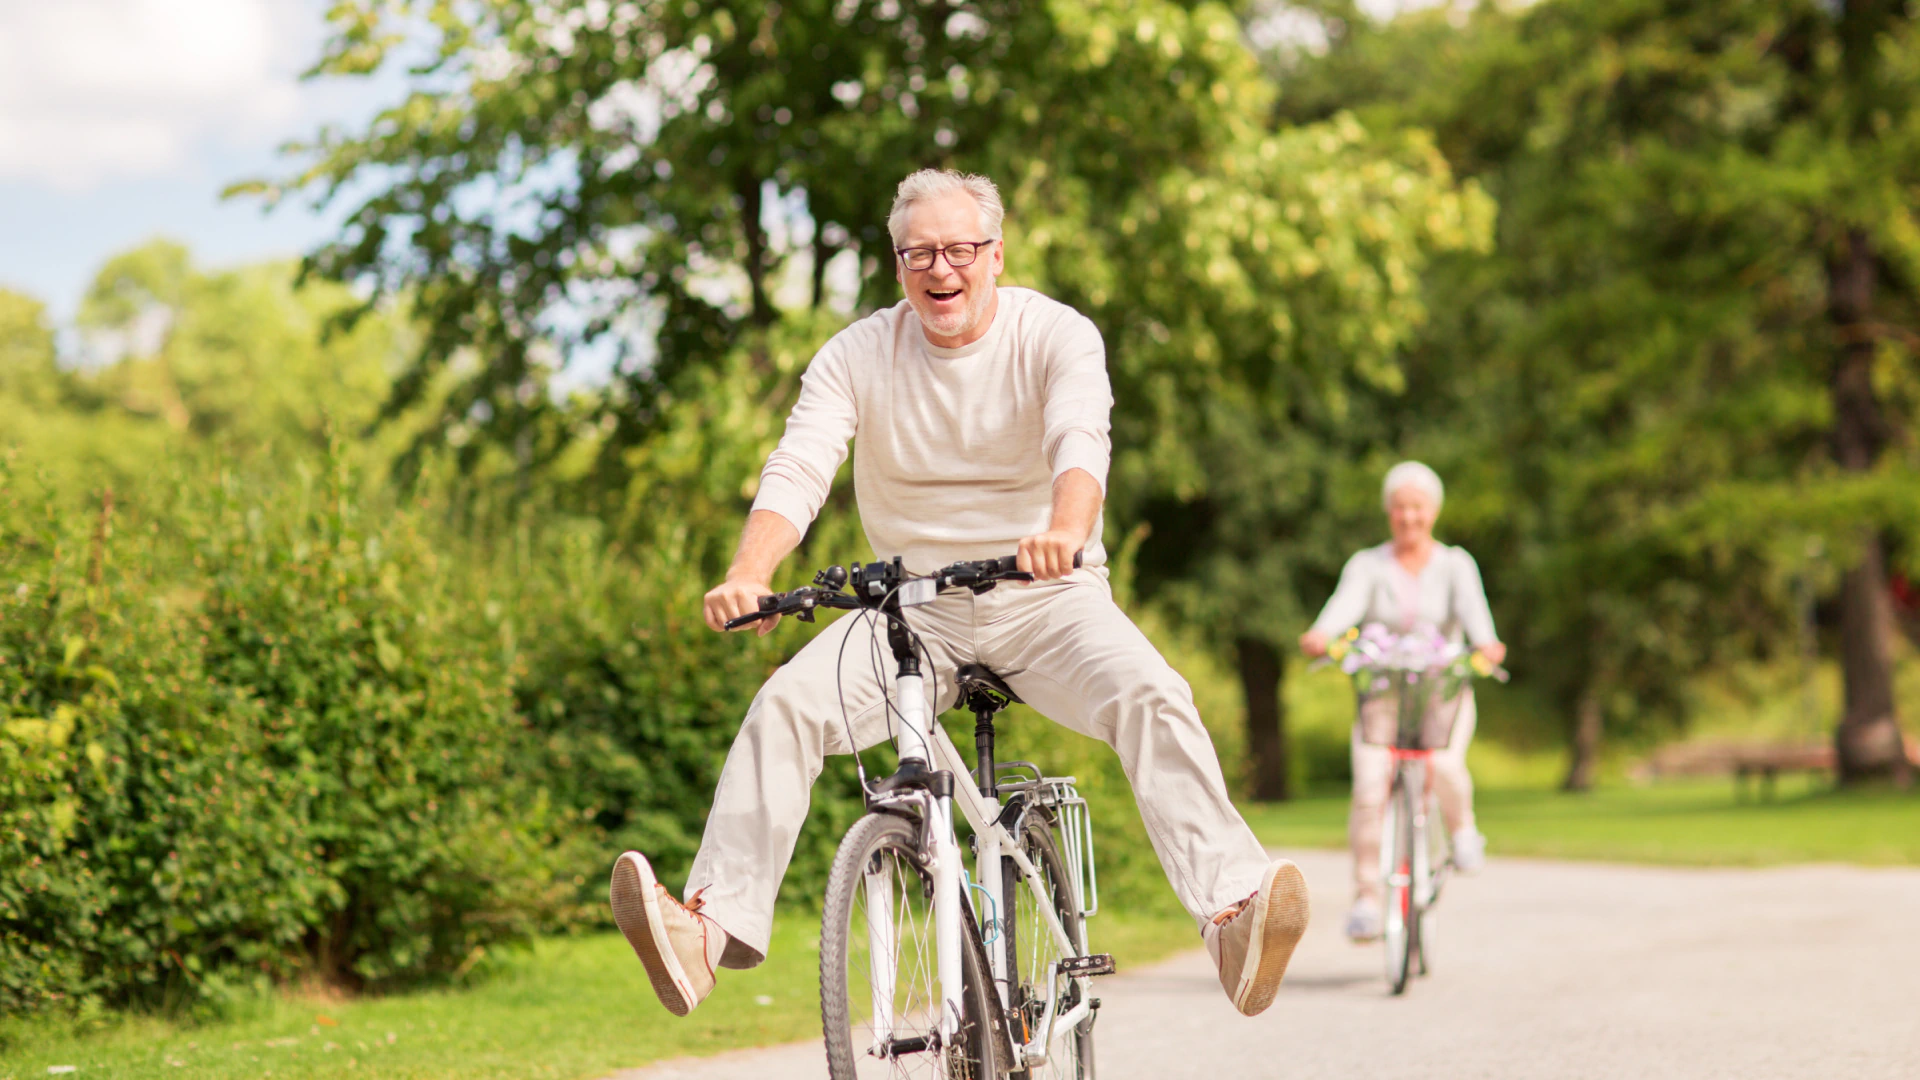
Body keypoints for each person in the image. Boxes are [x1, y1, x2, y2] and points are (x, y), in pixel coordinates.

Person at [608, 169, 1309, 1020]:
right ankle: (705, 934)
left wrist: (1065, 528)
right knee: (785, 705)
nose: (941, 269)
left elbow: (1080, 439)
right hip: (911, 611)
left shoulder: (1054, 334)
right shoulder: (857, 353)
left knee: (1152, 692)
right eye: (919, 254)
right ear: (898, 264)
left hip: (1046, 596)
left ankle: (1233, 917)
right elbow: (800, 465)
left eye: (960, 249)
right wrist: (748, 572)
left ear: (995, 255)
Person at [1298, 461, 1506, 943]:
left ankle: (1462, 832)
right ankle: (1367, 900)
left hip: (1442, 692)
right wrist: (1321, 634)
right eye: (1399, 508)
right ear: (1389, 513)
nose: (1408, 517)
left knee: (1445, 765)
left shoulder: (1456, 564)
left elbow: (1479, 622)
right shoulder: (1368, 565)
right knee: (1370, 786)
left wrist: (1487, 645)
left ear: (1432, 512)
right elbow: (1341, 608)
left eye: (1417, 508)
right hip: (1384, 695)